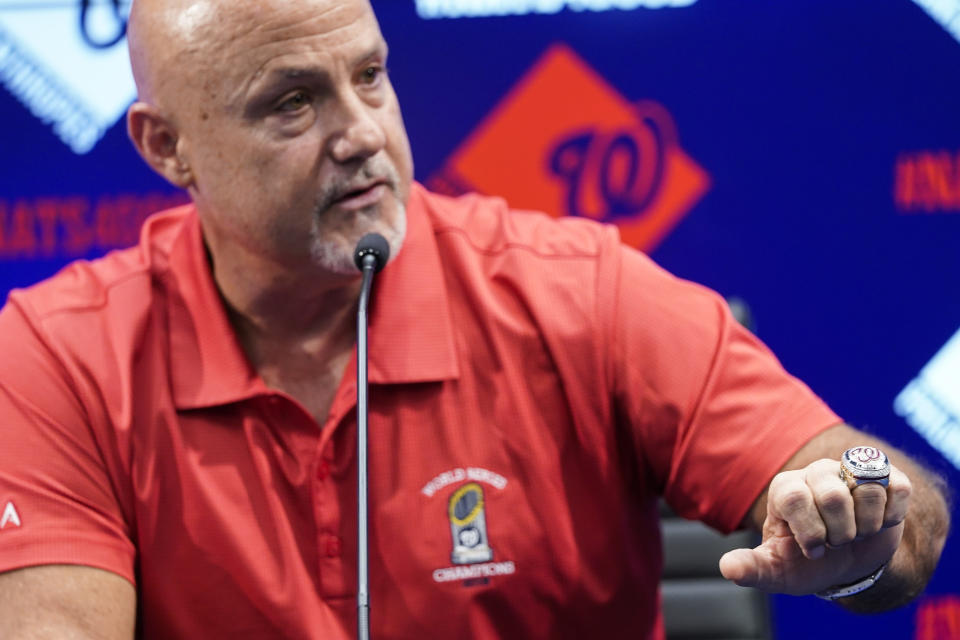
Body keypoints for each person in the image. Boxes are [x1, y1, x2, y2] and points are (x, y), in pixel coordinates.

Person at [0, 0, 949, 637]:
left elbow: (898, 520)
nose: (363, 132)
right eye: (292, 104)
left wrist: (857, 519)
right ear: (168, 146)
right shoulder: (59, 357)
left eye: (370, 76)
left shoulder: (579, 294)